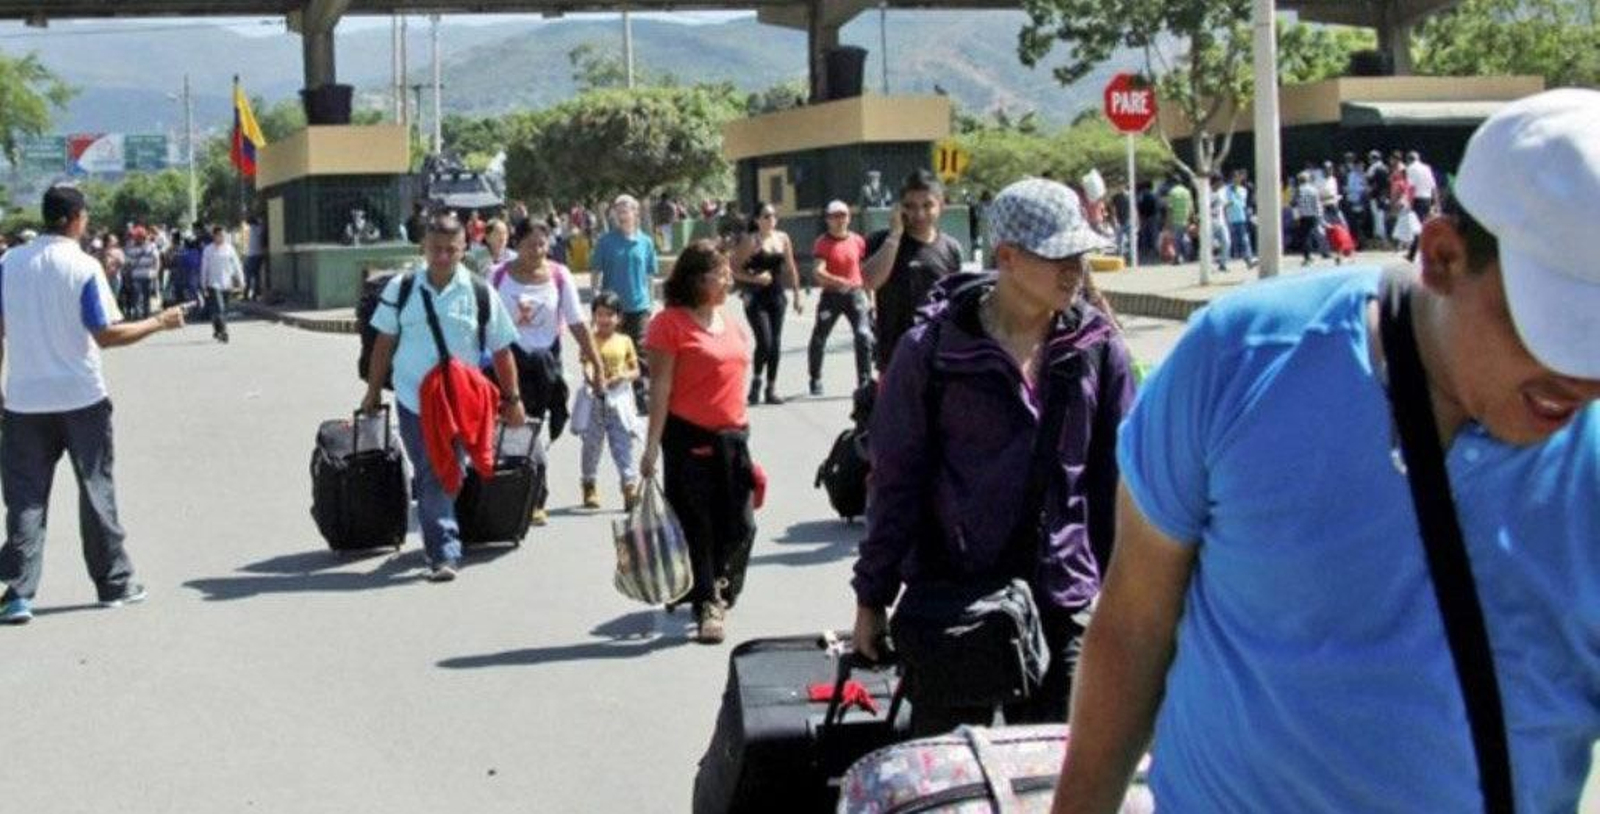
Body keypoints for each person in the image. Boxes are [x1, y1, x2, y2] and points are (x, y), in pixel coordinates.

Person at [1052, 89, 1600, 814]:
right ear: (1442, 255)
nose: (1582, 378)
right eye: (1557, 329)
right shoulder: (1242, 358)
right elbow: (1133, 626)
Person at [850, 177, 1136, 734]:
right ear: (1007, 256)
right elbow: (896, 482)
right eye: (1059, 255)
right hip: (955, 601)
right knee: (953, 776)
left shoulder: (1099, 351)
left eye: (1080, 254)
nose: (1075, 269)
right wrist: (872, 595)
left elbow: (1121, 487)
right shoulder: (931, 353)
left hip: (1066, 598)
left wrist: (1129, 601)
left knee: (1064, 776)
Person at [0, 185, 188, 624]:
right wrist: (160, 322)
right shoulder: (83, 266)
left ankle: (18, 593)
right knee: (95, 490)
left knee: (26, 499)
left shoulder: (8, 264)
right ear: (75, 219)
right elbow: (105, 334)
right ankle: (114, 584)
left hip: (25, 401)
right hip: (82, 397)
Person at [360, 213, 525, 583]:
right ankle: (444, 552)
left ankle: (443, 529)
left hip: (462, 402)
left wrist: (513, 399)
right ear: (424, 248)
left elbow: (501, 349)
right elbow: (383, 344)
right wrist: (372, 391)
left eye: (452, 249)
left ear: (465, 248)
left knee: (451, 468)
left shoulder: (480, 291)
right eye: (436, 249)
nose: (443, 257)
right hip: (414, 399)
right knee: (433, 470)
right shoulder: (401, 289)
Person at [639, 241, 756, 645]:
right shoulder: (668, 324)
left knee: (740, 522)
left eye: (727, 271)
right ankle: (708, 601)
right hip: (689, 438)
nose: (728, 279)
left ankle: (711, 582)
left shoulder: (729, 320)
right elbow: (660, 387)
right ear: (695, 279)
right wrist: (651, 445)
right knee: (699, 524)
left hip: (733, 438)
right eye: (720, 273)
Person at [491, 219, 603, 525]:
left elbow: (577, 321)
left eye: (543, 244)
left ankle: (529, 490)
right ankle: (533, 496)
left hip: (545, 367)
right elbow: (480, 318)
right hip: (508, 364)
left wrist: (596, 360)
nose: (538, 251)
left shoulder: (559, 275)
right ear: (517, 244)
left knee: (539, 429)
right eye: (531, 245)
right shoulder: (498, 275)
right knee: (517, 429)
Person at [863, 170, 965, 372]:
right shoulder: (882, 241)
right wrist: (895, 236)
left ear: (941, 206)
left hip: (939, 356)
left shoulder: (951, 248)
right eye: (910, 207)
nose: (919, 214)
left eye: (928, 206)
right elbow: (869, 281)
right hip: (895, 357)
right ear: (899, 208)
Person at [730, 201, 803, 405]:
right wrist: (755, 279)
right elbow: (733, 269)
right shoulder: (750, 241)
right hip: (755, 297)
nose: (771, 220)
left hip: (776, 295)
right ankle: (756, 383)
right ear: (757, 220)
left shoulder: (783, 238)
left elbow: (791, 267)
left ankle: (771, 388)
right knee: (765, 341)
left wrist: (797, 294)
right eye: (766, 216)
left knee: (776, 343)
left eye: (773, 216)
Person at [593, 195, 660, 411]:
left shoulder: (646, 242)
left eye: (626, 209)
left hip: (639, 306)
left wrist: (651, 302)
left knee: (640, 351)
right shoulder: (606, 241)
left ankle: (642, 396)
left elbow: (650, 275)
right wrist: (596, 301)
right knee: (613, 350)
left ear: (635, 213)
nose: (622, 213)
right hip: (613, 307)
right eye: (618, 209)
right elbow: (596, 272)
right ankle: (611, 394)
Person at [577, 291, 642, 512]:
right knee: (591, 446)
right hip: (595, 400)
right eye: (600, 314)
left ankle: (629, 486)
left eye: (610, 314)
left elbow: (635, 370)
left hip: (619, 401)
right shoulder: (589, 339)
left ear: (619, 318)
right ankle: (589, 483)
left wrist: (623, 376)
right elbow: (586, 365)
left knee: (622, 444)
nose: (604, 319)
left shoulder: (625, 341)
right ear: (593, 316)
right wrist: (593, 378)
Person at [807, 200, 873, 395]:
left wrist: (871, 299)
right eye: (835, 216)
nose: (840, 220)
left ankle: (864, 380)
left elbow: (864, 272)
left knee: (863, 335)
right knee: (820, 336)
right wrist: (838, 281)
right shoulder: (822, 243)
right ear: (828, 220)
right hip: (832, 296)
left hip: (855, 295)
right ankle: (815, 377)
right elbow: (818, 271)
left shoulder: (858, 241)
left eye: (843, 215)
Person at [200, 226, 242, 344]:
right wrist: (203, 283)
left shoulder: (229, 249)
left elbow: (236, 265)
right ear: (214, 236)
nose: (222, 237)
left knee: (223, 310)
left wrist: (241, 280)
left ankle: (217, 329)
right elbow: (204, 268)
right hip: (213, 284)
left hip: (227, 283)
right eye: (219, 235)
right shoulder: (208, 250)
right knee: (220, 308)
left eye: (223, 235)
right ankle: (224, 331)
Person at [1292, 171, 1331, 265]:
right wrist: (1320, 216)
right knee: (1318, 233)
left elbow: (1294, 204)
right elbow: (1317, 204)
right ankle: (1325, 251)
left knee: (1305, 236)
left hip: (1303, 216)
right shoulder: (1313, 190)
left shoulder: (1298, 190)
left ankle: (1307, 256)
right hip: (1313, 215)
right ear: (1308, 180)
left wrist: (1296, 217)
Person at [122, 226, 161, 320]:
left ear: (143, 237)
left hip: (148, 275)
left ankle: (146, 315)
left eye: (139, 236)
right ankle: (138, 315)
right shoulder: (130, 247)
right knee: (137, 297)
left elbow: (156, 260)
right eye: (136, 236)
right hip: (136, 276)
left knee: (146, 297)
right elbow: (127, 263)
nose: (136, 238)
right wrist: (127, 274)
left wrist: (156, 272)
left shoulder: (151, 246)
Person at [1223, 170, 1256, 266]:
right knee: (1230, 240)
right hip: (1229, 218)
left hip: (1241, 218)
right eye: (1234, 178)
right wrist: (1227, 205)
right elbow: (1223, 203)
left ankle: (1249, 259)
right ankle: (1225, 261)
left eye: (1238, 178)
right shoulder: (1226, 190)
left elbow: (1243, 204)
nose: (1237, 180)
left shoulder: (1243, 190)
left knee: (1244, 239)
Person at [1365, 149, 1391, 245]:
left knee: (1377, 217)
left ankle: (1381, 238)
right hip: (1383, 195)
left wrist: (1369, 192)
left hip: (1375, 196)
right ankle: (1380, 237)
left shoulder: (1373, 168)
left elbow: (1370, 183)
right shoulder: (1385, 167)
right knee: (1381, 216)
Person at [243, 215, 266, 300]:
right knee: (256, 276)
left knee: (248, 276)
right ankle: (255, 295)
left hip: (252, 255)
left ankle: (246, 295)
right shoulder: (260, 228)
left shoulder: (252, 228)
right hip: (258, 254)